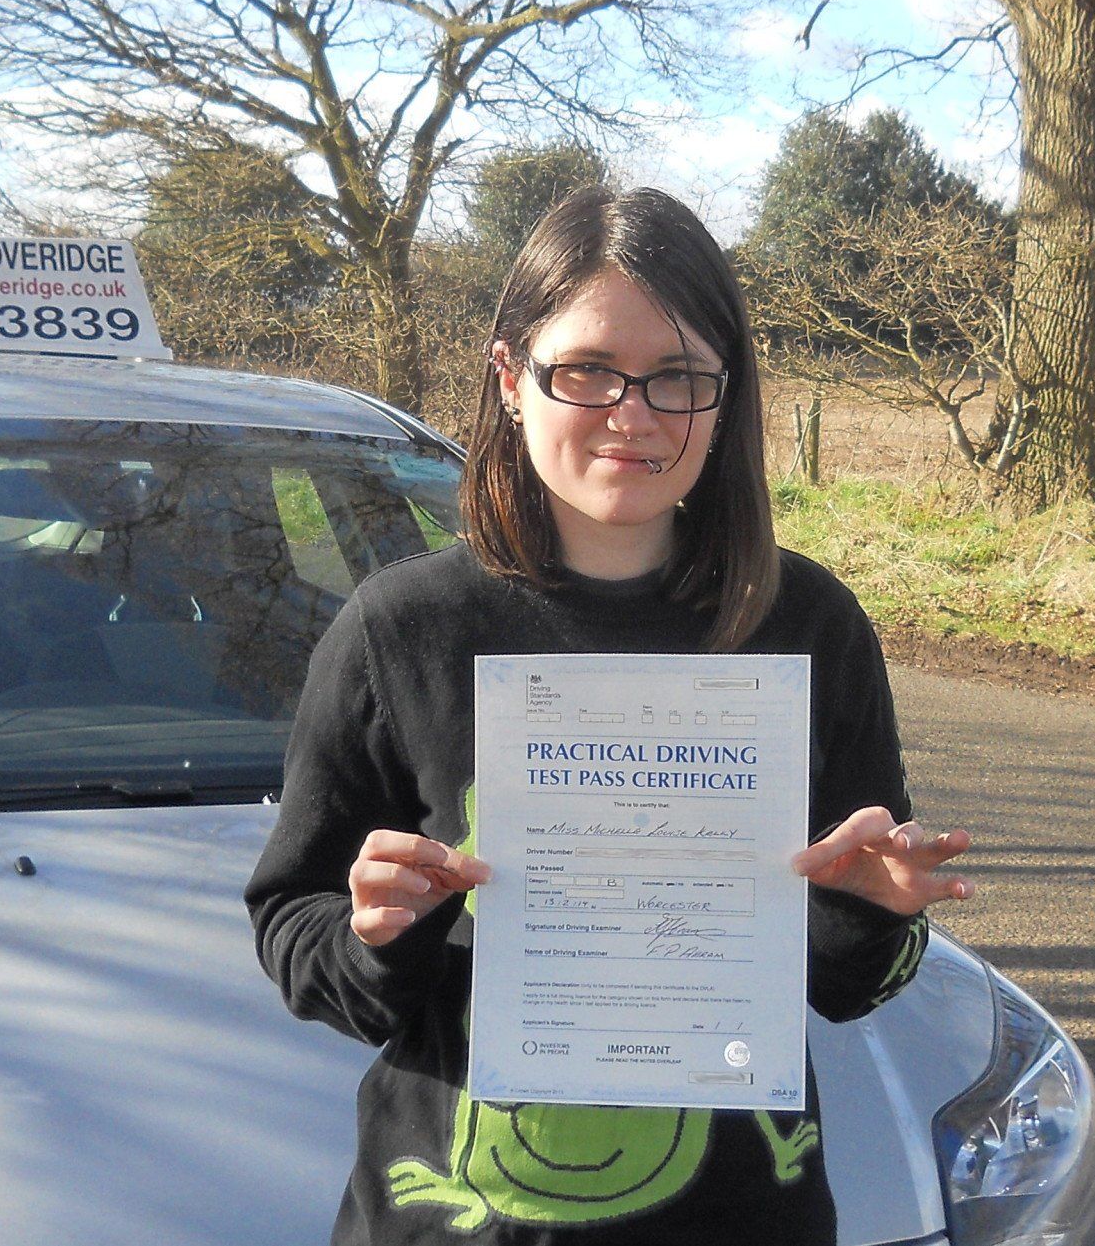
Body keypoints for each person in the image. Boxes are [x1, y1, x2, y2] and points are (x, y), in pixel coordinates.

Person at [245, 185, 974, 1245]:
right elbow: (292, 932)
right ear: (511, 374)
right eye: (587, 370)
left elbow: (849, 985)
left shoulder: (808, 624)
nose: (633, 414)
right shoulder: (400, 629)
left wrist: (874, 911)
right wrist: (373, 933)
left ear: (726, 398)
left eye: (677, 376)